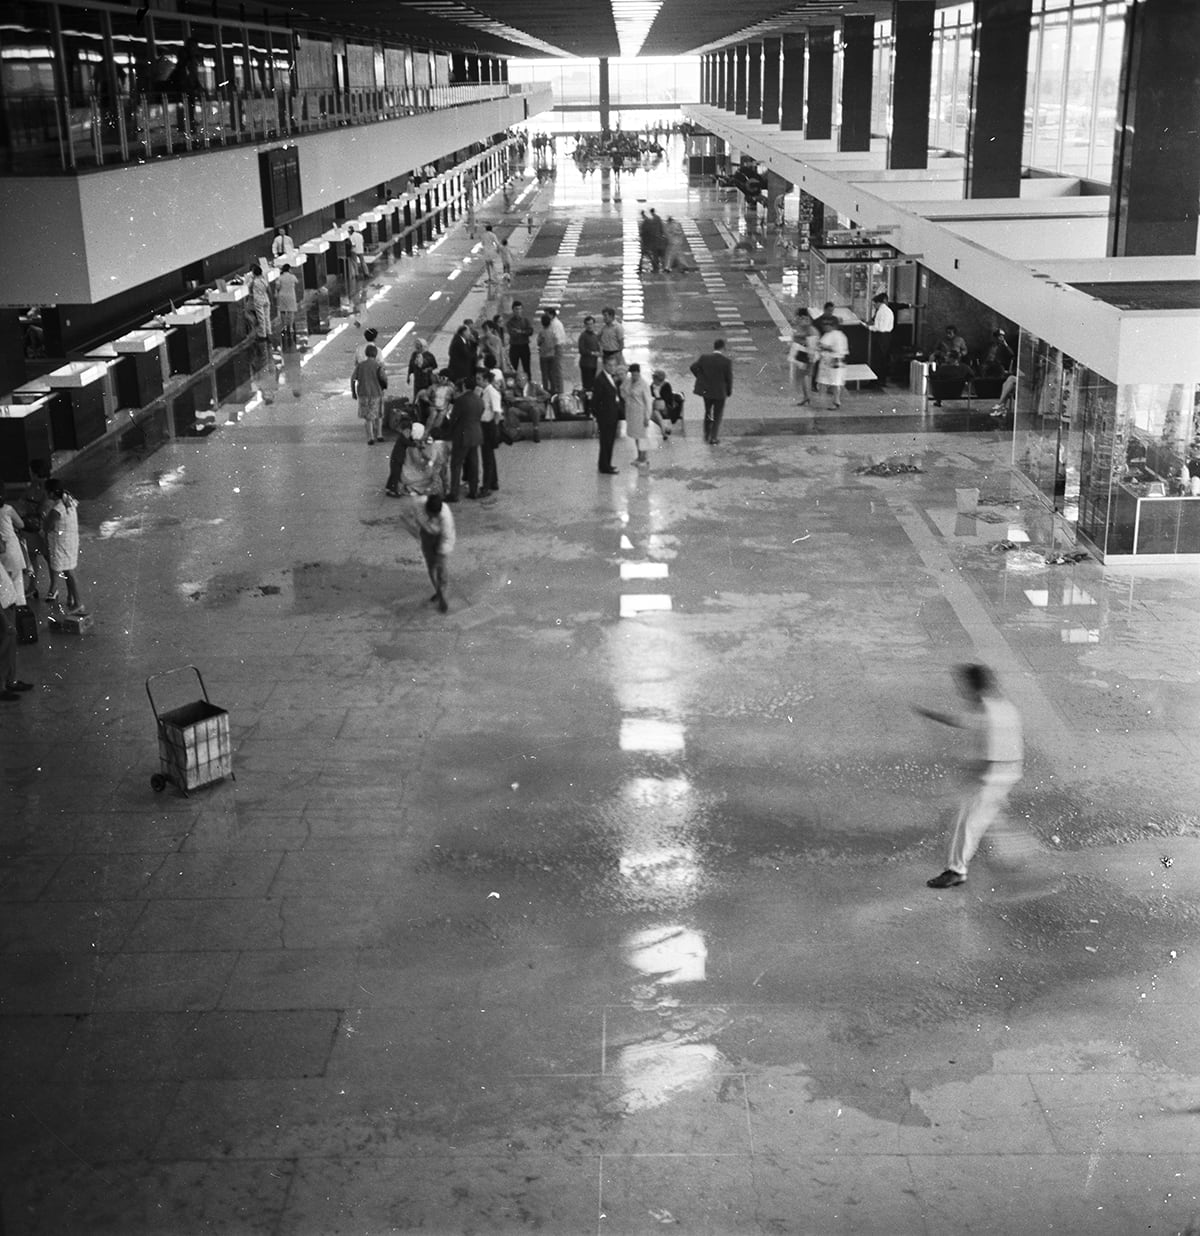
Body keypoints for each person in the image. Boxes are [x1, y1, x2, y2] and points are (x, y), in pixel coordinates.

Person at [917, 664, 1024, 890]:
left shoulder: (990, 712)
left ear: (975, 686)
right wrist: (934, 715)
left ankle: (956, 871)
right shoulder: (999, 706)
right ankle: (1012, 856)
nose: (961, 690)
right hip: (1004, 774)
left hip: (992, 777)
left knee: (966, 823)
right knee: (986, 818)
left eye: (964, 685)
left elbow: (993, 756)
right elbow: (965, 720)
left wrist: (974, 780)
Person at [42, 480, 86, 615]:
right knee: (68, 570)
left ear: (51, 493)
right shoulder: (69, 501)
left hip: (62, 544)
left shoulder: (56, 510)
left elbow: (47, 527)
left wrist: (44, 516)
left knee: (69, 572)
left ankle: (78, 602)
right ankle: (71, 597)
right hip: (70, 541)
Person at [414, 493, 455, 614]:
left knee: (441, 568)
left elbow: (446, 539)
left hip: (441, 540)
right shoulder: (420, 502)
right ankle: (439, 592)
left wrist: (440, 554)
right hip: (427, 535)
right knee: (431, 567)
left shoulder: (446, 519)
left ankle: (442, 593)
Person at [0, 557, 32, 701]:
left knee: (10, 648)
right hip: (3, 611)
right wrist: (5, 621)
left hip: (8, 604)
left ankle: (10, 680)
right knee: (4, 650)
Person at [690, 338, 734, 445]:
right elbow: (729, 378)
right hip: (720, 392)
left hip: (707, 391)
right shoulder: (726, 362)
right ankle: (713, 437)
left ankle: (706, 433)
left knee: (708, 411)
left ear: (714, 347)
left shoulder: (704, 358)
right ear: (723, 348)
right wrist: (728, 391)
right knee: (717, 414)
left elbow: (693, 367)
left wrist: (701, 378)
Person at [622, 363, 666, 468]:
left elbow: (648, 402)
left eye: (636, 374)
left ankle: (644, 458)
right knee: (636, 437)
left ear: (639, 373)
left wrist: (647, 417)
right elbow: (623, 390)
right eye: (633, 375)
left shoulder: (644, 384)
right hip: (631, 414)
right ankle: (639, 457)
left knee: (642, 437)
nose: (634, 377)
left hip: (641, 414)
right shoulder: (628, 382)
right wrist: (627, 398)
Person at [447, 377, 483, 502]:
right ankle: (474, 490)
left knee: (456, 464)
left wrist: (450, 431)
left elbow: (453, 417)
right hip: (476, 433)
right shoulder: (479, 400)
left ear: (464, 386)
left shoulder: (461, 400)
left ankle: (454, 493)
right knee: (474, 463)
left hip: (462, 435)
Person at [590, 354, 625, 474]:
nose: (612, 367)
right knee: (605, 441)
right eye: (610, 365)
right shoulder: (600, 380)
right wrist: (599, 415)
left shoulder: (611, 377)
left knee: (609, 440)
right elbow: (595, 400)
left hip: (612, 413)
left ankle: (606, 464)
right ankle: (605, 466)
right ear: (604, 365)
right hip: (605, 416)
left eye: (614, 365)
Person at [351, 343, 387, 444]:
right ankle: (379, 435)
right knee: (379, 415)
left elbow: (353, 379)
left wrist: (353, 392)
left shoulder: (360, 366)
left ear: (366, 354)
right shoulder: (378, 366)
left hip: (363, 394)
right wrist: (384, 387)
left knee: (368, 417)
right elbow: (384, 378)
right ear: (376, 354)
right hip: (377, 393)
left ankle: (370, 437)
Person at [0, 485, 30, 608]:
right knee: (17, 581)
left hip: (1, 550)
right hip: (11, 548)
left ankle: (8, 608)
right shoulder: (7, 509)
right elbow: (21, 524)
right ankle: (21, 612)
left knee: (5, 582)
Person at [480, 368, 505, 492]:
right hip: (486, 425)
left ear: (486, 380)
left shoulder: (491, 392)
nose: (477, 381)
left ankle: (487, 485)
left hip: (489, 425)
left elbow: (497, 412)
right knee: (489, 456)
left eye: (480, 379)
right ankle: (493, 482)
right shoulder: (486, 391)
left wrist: (494, 427)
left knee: (487, 458)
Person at [817, 319, 849, 409]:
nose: (824, 327)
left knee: (834, 382)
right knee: (835, 382)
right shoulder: (841, 335)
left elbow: (830, 348)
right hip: (838, 361)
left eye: (825, 325)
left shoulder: (833, 335)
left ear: (832, 326)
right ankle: (835, 400)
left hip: (834, 361)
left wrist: (824, 348)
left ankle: (835, 401)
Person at [790, 311, 820, 407]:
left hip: (807, 356)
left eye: (804, 319)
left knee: (806, 376)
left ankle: (807, 396)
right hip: (803, 355)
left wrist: (811, 357)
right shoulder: (803, 328)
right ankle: (806, 396)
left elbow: (812, 345)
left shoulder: (811, 330)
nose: (802, 320)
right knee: (803, 377)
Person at [867, 292, 894, 389]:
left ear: (879, 303)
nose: (874, 306)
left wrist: (869, 327)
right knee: (882, 359)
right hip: (886, 337)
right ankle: (881, 380)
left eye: (874, 304)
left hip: (881, 337)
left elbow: (880, 328)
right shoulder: (888, 311)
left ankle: (877, 380)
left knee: (878, 359)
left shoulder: (882, 311)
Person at [506, 301, 534, 379]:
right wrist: (524, 332)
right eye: (516, 309)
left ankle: (528, 385)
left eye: (520, 309)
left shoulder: (526, 320)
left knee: (527, 368)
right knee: (514, 368)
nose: (518, 311)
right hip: (514, 346)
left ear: (522, 310)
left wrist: (520, 331)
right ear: (513, 310)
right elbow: (513, 334)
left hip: (524, 346)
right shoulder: (510, 322)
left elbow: (530, 331)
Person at [275, 262, 300, 345]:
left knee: (282, 311)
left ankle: (284, 326)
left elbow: (277, 286)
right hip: (291, 295)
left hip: (282, 295)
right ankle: (291, 327)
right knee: (290, 311)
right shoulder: (292, 277)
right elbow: (297, 281)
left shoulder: (280, 277)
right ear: (289, 269)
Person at [448, 321, 477, 386]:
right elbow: (468, 355)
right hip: (459, 372)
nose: (470, 334)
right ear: (464, 332)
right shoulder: (459, 342)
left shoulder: (463, 340)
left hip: (462, 371)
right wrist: (475, 350)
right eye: (469, 331)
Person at [577, 315, 602, 393]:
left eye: (591, 324)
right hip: (585, 364)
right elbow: (581, 350)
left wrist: (599, 352)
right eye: (588, 324)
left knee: (592, 385)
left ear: (594, 324)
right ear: (585, 325)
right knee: (587, 386)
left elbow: (598, 347)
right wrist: (592, 353)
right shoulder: (583, 336)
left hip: (593, 364)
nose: (590, 326)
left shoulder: (595, 336)